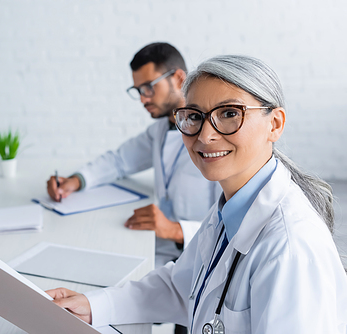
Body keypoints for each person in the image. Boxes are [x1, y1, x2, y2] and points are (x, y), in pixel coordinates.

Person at [47, 55, 347, 333]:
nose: (205, 135)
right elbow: (181, 287)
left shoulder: (290, 250)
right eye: (194, 116)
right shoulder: (230, 209)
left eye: (230, 113)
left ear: (275, 124)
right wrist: (93, 305)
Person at [46, 42, 220, 268]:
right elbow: (119, 161)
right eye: (138, 90)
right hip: (161, 250)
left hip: (203, 259)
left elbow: (233, 223)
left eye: (149, 87)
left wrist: (175, 230)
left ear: (178, 79)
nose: (143, 99)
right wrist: (76, 180)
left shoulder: (216, 140)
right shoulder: (159, 131)